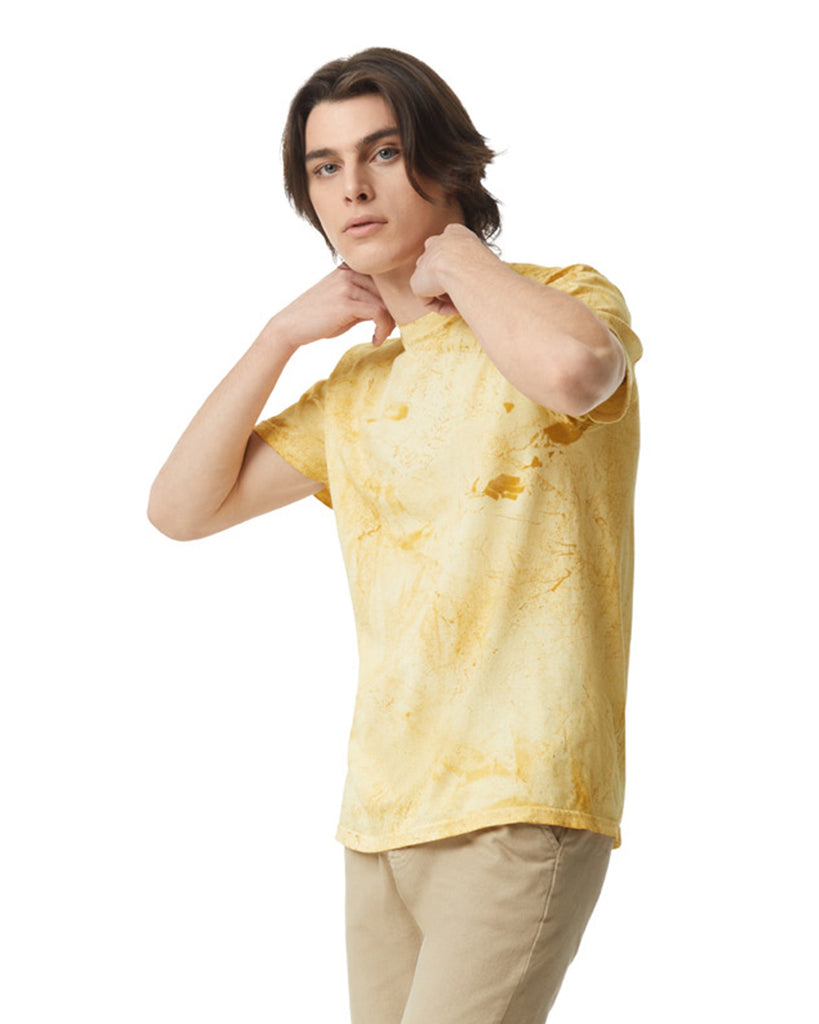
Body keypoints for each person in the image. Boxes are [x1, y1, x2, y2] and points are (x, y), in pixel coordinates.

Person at [148, 46, 642, 1024]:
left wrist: (464, 259)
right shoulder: (357, 390)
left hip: (520, 795)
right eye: (325, 166)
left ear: (444, 160)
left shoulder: (569, 297)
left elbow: (580, 374)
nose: (353, 187)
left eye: (382, 151)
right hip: (380, 814)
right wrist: (278, 336)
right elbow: (181, 509)